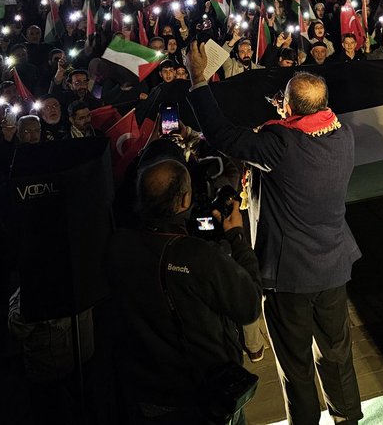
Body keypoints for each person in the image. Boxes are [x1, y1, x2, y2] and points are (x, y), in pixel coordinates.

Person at [184, 49, 363, 425]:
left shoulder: (279, 144)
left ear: (288, 107)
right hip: (333, 267)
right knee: (336, 352)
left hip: (289, 276)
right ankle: (347, 417)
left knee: (296, 363)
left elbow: (221, 134)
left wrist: (199, 78)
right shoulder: (343, 135)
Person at [108, 157, 262, 423]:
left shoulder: (118, 245)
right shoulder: (198, 256)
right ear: (184, 200)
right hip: (203, 399)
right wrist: (236, 237)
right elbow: (248, 305)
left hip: (146, 396)